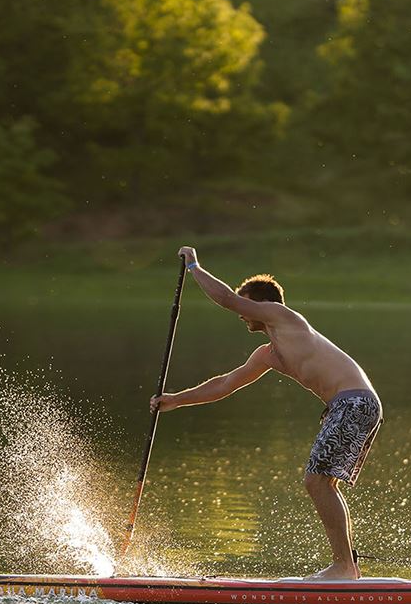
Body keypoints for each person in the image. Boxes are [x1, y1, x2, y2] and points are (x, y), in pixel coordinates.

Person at [150, 246, 382, 580]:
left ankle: (344, 567)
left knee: (317, 482)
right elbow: (225, 384)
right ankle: (347, 567)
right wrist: (176, 400)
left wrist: (194, 266)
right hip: (349, 406)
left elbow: (228, 299)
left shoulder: (283, 317)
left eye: (247, 306)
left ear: (262, 305)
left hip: (355, 403)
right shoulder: (268, 353)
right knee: (322, 482)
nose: (241, 314)